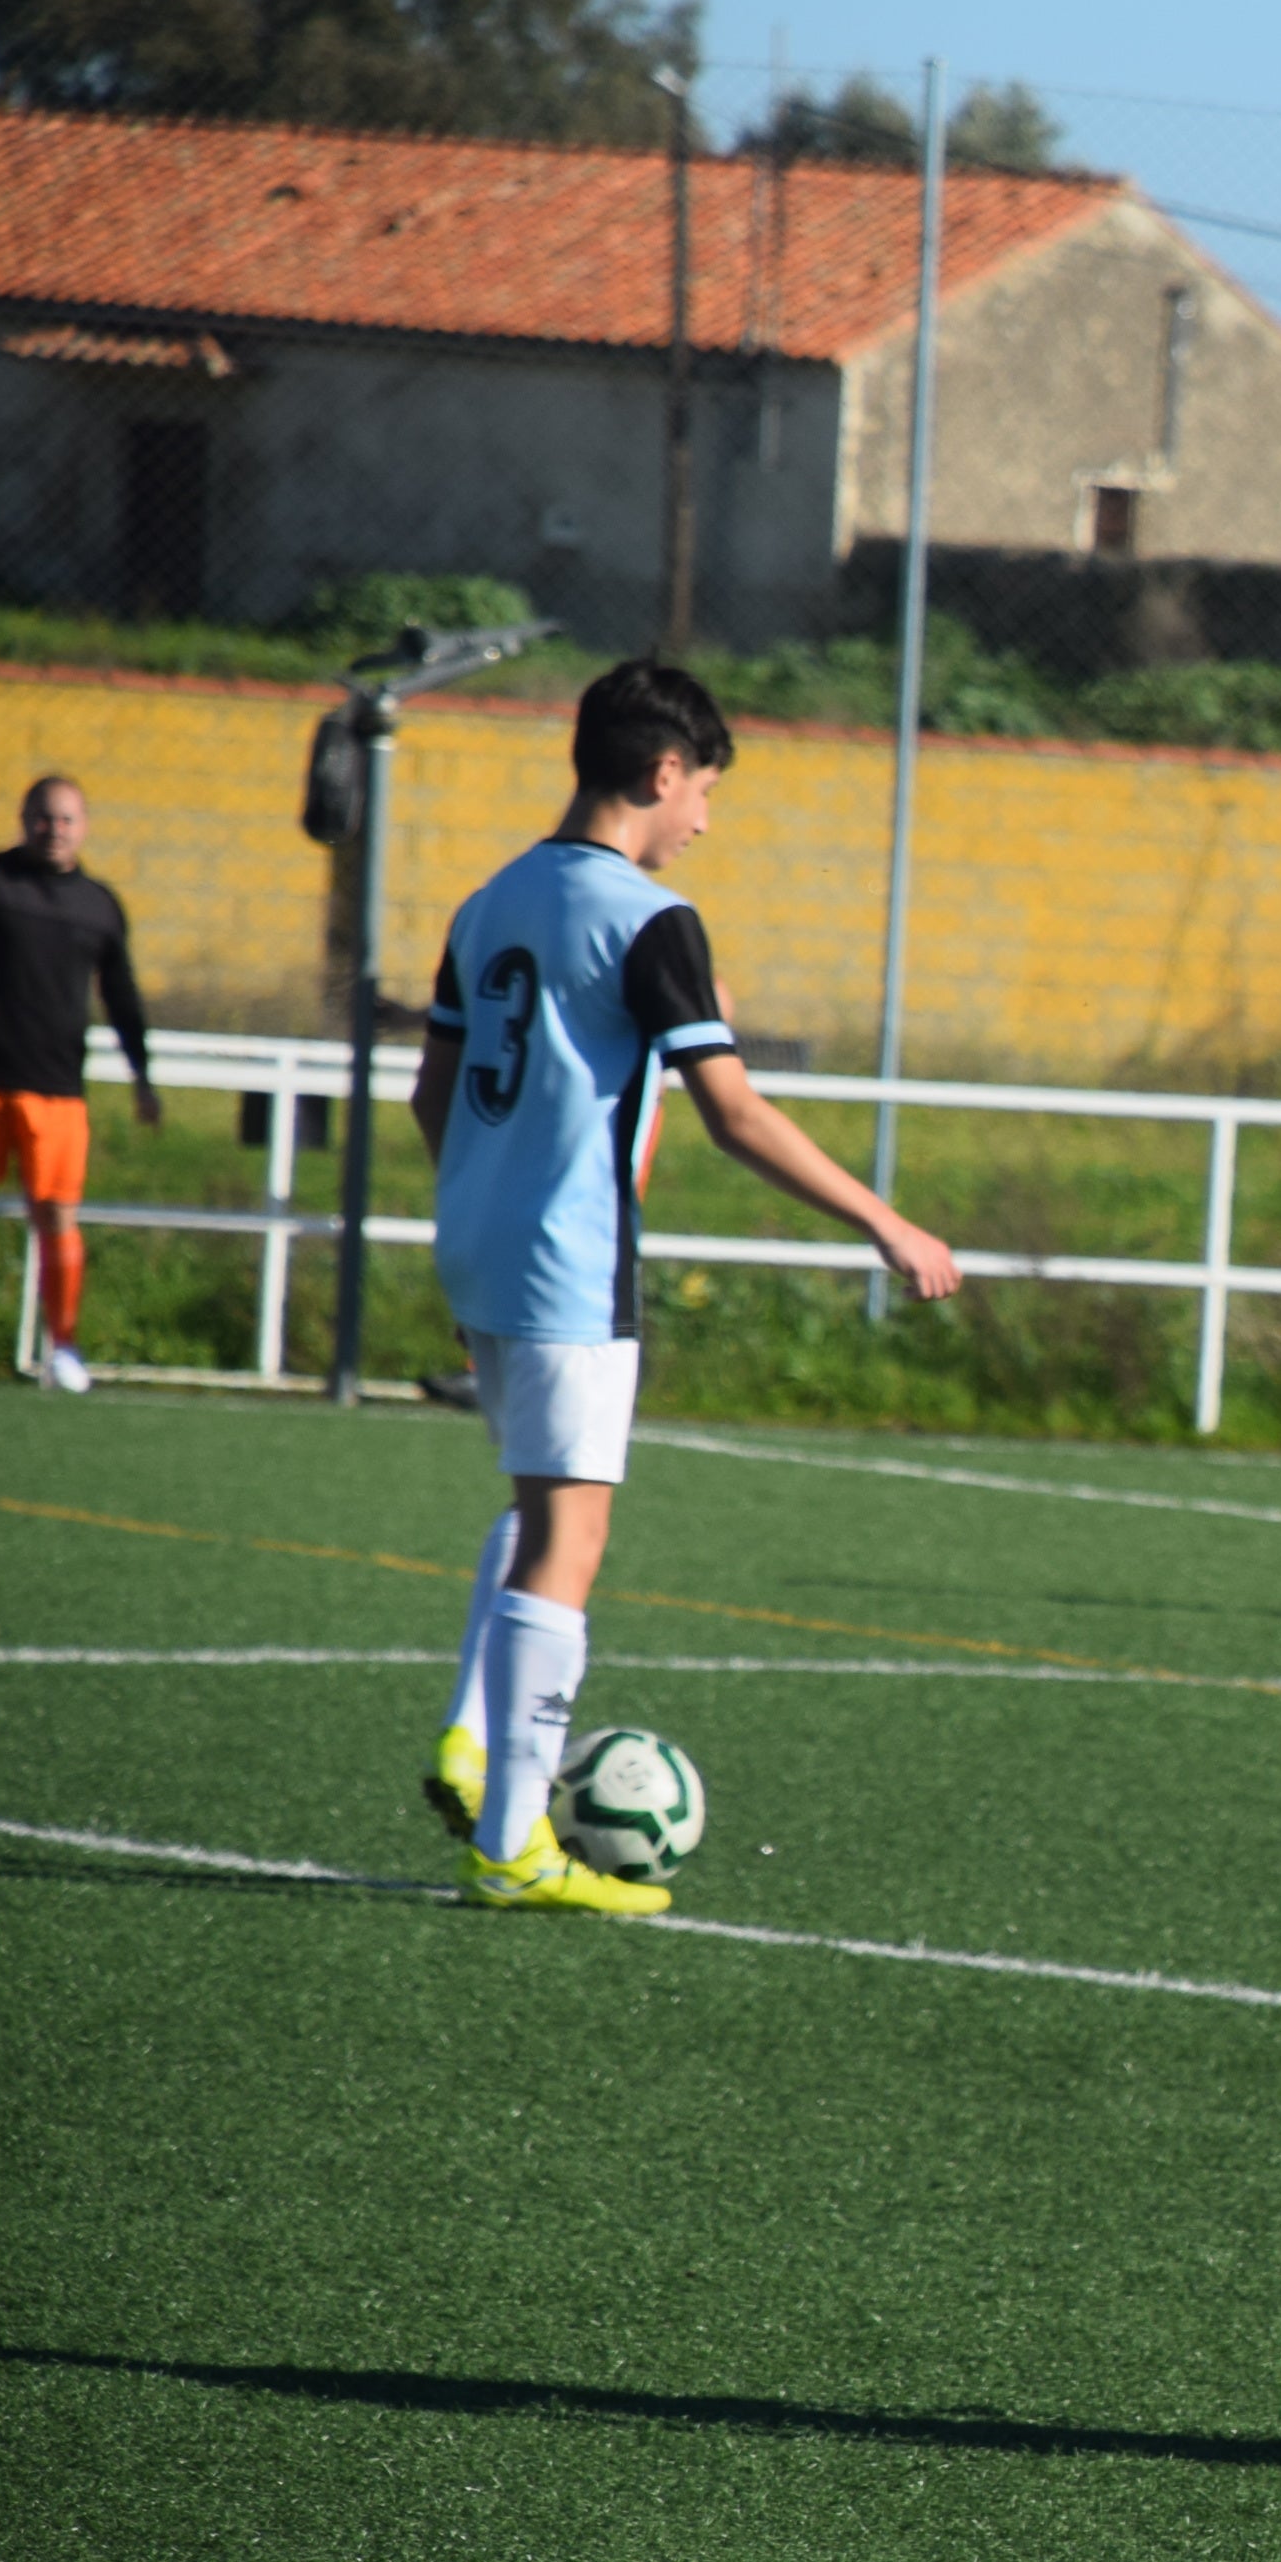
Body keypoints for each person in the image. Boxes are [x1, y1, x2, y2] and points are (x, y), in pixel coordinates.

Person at [412, 660, 960, 1912]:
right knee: (573, 1533)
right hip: (568, 1263)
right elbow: (733, 1114)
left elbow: (430, 1093)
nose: (704, 819)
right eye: (704, 790)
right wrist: (883, 1220)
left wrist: (473, 1223)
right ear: (663, 775)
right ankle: (511, 1844)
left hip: (486, 1250)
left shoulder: (490, 898)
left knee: (537, 1507)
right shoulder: (649, 917)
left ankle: (475, 1737)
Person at [0, 775, 165, 1390]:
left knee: (57, 1213)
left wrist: (141, 1075)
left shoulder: (97, 904)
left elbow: (121, 995)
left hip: (58, 1087)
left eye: (68, 819)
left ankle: (64, 1349)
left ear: (85, 826)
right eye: (45, 818)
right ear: (24, 819)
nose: (56, 830)